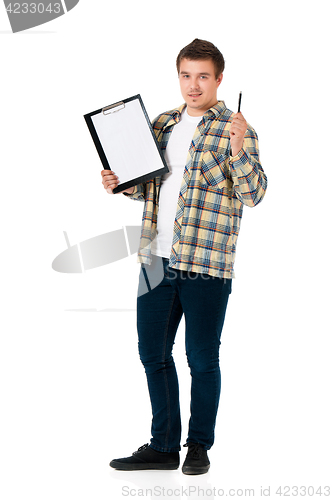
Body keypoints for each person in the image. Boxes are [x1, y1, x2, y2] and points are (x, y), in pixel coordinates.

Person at [101, 38, 267, 475]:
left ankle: (198, 447)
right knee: (152, 353)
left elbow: (254, 195)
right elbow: (147, 188)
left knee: (201, 358)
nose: (193, 86)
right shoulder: (161, 124)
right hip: (156, 259)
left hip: (207, 263)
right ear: (179, 76)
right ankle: (162, 446)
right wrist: (120, 182)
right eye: (186, 75)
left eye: (203, 77)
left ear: (219, 79)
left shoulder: (237, 128)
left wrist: (236, 147)